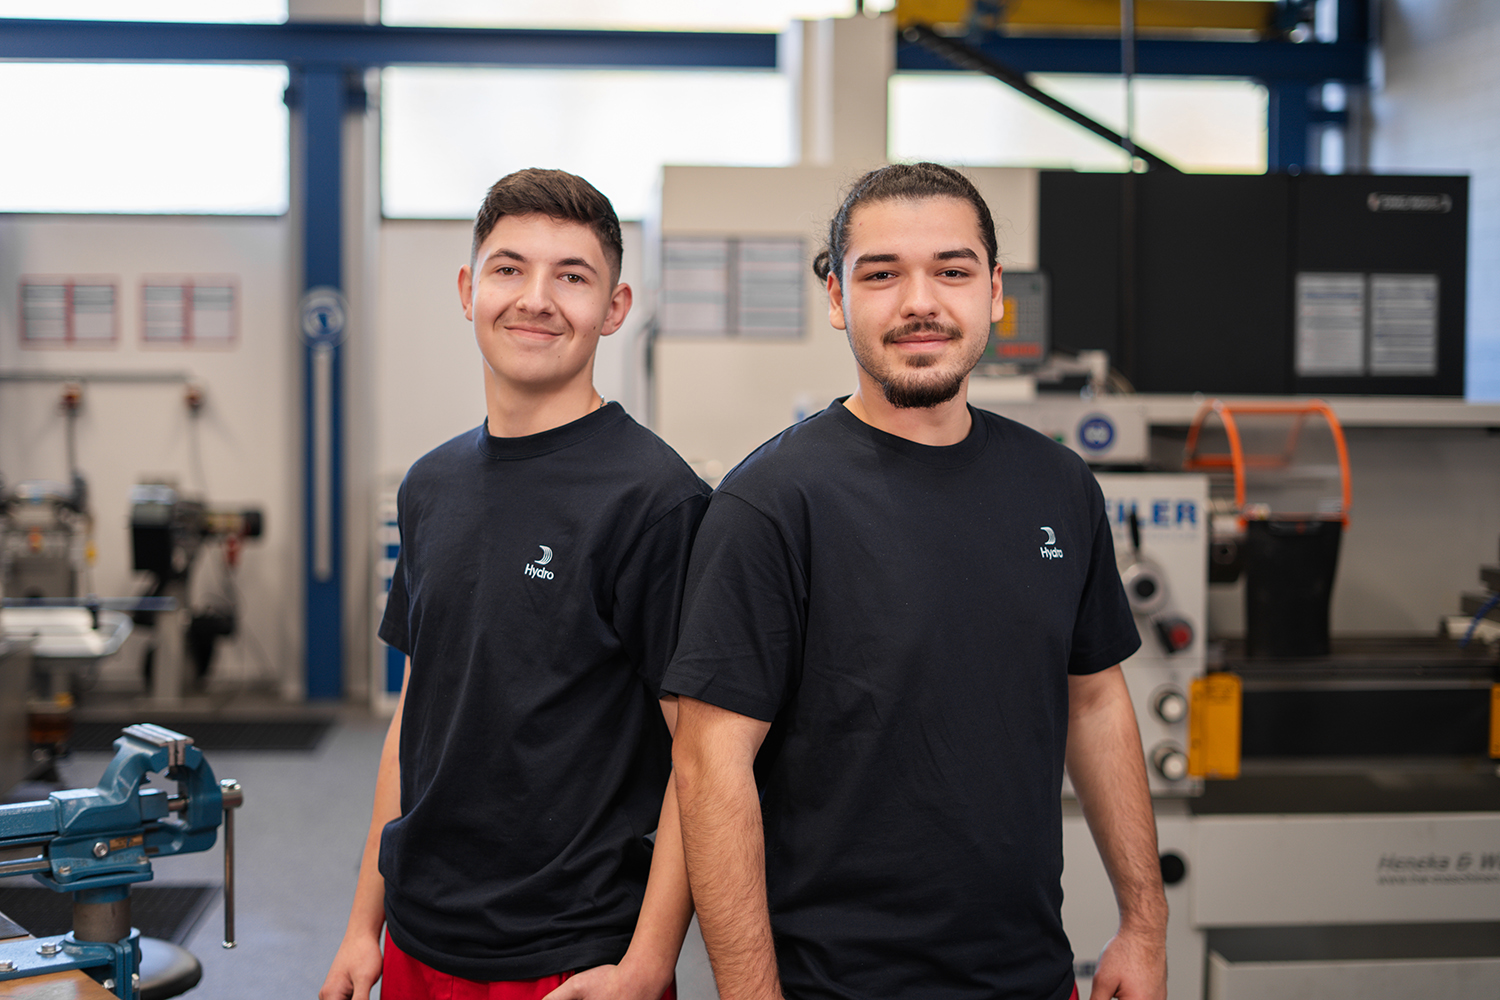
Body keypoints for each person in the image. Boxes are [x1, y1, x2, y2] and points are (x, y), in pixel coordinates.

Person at [665, 162, 1167, 1000]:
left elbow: (1096, 702)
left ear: (995, 290)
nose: (920, 303)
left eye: (952, 270)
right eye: (882, 273)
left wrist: (1143, 927)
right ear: (836, 298)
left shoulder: (1059, 486)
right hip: (838, 985)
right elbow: (711, 764)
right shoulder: (772, 504)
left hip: (1030, 975)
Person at [320, 168, 709, 1000]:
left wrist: (645, 967)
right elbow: (415, 718)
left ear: (614, 307)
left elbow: (702, 758)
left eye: (572, 276)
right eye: (508, 269)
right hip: (420, 937)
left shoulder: (657, 500)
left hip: (570, 954)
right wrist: (365, 925)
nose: (535, 298)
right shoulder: (430, 485)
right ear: (468, 290)